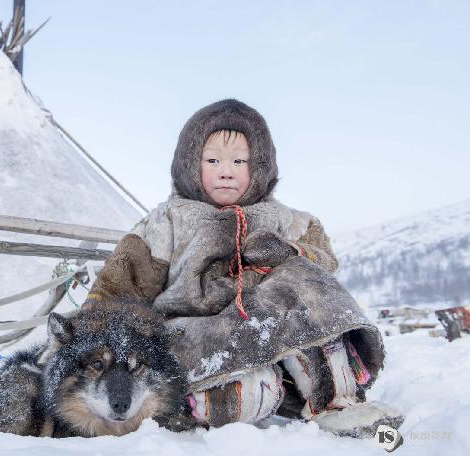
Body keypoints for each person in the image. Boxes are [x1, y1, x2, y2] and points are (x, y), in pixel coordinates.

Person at [83, 99, 404, 438]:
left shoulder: (289, 221)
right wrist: (82, 339)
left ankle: (337, 402)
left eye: (239, 161)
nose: (226, 171)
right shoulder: (165, 221)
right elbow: (121, 285)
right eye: (212, 161)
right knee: (254, 391)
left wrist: (288, 252)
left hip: (271, 328)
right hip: (194, 336)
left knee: (303, 282)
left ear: (260, 166)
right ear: (189, 164)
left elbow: (324, 267)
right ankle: (202, 405)